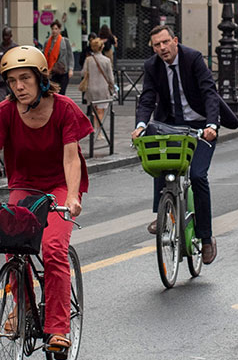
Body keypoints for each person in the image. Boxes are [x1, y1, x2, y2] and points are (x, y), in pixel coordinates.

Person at [0, 45, 88, 356]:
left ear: (40, 78)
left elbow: (71, 159)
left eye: (25, 78)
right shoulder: (5, 112)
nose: (18, 86)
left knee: (52, 249)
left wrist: (74, 196)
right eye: (11, 81)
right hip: (24, 185)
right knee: (11, 246)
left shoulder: (63, 108)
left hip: (59, 186)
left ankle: (58, 327)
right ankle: (20, 305)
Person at [133, 21, 224, 264]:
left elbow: (209, 92)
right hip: (171, 125)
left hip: (201, 126)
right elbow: (147, 98)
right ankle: (161, 213)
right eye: (156, 45)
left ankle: (206, 238)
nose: (162, 48)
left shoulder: (192, 58)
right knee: (159, 161)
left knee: (197, 176)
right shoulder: (152, 65)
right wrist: (141, 125)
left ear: (175, 40)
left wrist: (212, 125)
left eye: (165, 42)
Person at [79, 32, 116, 154]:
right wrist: (112, 86)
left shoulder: (88, 60)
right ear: (101, 47)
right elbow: (110, 77)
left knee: (94, 109)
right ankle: (99, 131)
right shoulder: (106, 60)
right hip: (102, 88)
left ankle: (95, 128)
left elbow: (83, 72)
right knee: (101, 110)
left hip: (91, 87)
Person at [43, 20, 70, 94]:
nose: (54, 31)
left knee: (62, 92)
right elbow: (45, 56)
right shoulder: (47, 42)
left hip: (62, 70)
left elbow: (70, 56)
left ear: (59, 30)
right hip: (52, 71)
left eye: (56, 29)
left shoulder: (65, 41)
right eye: (53, 29)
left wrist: (71, 69)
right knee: (53, 92)